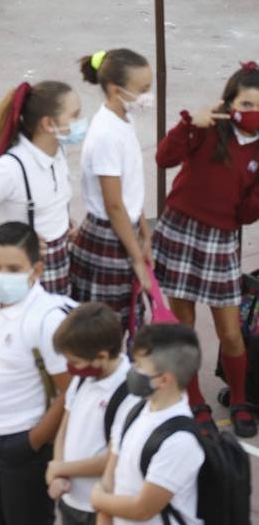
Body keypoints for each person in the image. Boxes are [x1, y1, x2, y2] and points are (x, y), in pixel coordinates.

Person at [150, 61, 259, 437]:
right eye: (245, 105)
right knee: (184, 327)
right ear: (228, 104)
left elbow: (246, 212)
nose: (252, 113)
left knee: (230, 331)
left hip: (220, 242)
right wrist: (188, 124)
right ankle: (195, 400)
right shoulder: (207, 131)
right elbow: (164, 158)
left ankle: (241, 399)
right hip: (180, 232)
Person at [0, 221, 72, 525]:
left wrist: (35, 440)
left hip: (21, 442)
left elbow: (69, 393)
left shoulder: (47, 318)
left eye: (13, 269)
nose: (1, 276)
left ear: (36, 270)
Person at [0, 80, 83, 295]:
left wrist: (63, 225)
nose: (81, 122)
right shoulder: (10, 169)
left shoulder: (58, 152)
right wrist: (12, 246)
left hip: (58, 262)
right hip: (20, 270)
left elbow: (48, 201)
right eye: (75, 115)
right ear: (49, 124)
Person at [91, 323, 205, 525]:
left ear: (163, 380)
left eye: (140, 368)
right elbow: (109, 477)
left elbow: (142, 508)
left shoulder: (180, 441)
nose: (132, 371)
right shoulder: (134, 408)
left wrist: (97, 500)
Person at [69, 49, 154, 323]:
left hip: (124, 232)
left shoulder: (124, 120)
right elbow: (114, 204)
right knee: (105, 330)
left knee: (126, 321)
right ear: (116, 90)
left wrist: (144, 234)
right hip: (108, 236)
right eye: (142, 89)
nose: (147, 96)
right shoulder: (106, 134)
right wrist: (138, 261)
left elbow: (130, 192)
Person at [47, 302, 134, 525]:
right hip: (71, 500)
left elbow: (112, 460)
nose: (69, 367)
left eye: (74, 361)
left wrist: (61, 469)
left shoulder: (128, 392)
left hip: (100, 509)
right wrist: (58, 468)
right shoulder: (84, 378)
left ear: (102, 357)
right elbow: (65, 428)